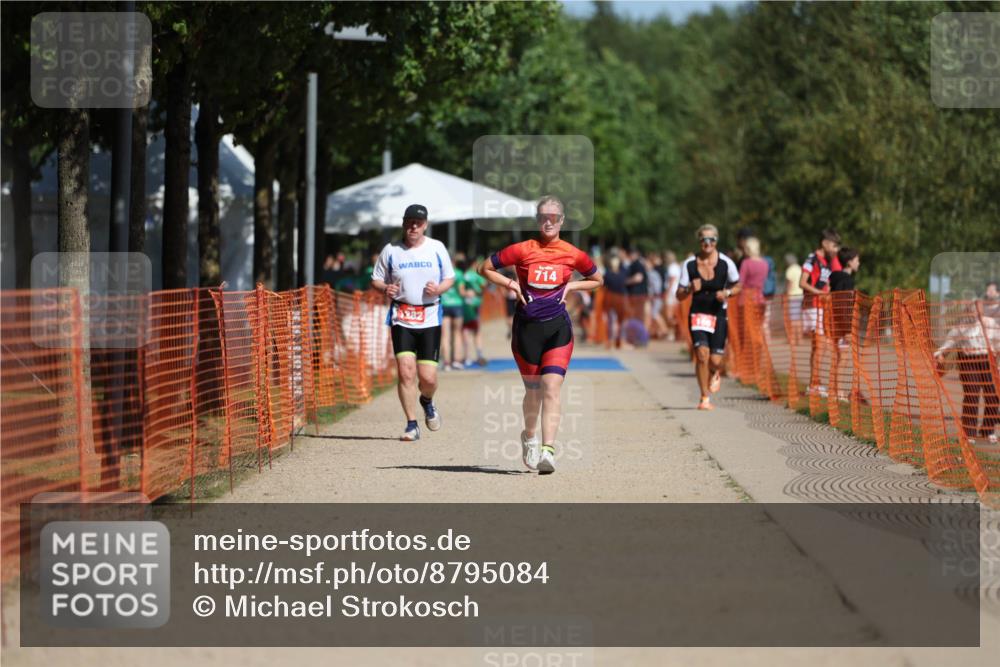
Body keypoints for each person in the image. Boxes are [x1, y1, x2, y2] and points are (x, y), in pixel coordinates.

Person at [479, 195, 603, 474]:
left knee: (551, 388)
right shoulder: (522, 249)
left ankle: (548, 450)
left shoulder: (572, 253)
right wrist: (511, 284)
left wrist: (572, 288)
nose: (549, 222)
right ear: (538, 220)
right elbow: (484, 268)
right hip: (526, 330)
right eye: (544, 217)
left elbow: (597, 279)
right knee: (533, 391)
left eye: (554, 217)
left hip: (558, 328)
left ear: (562, 221)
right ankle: (530, 436)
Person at [370, 204, 455, 441]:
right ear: (404, 223)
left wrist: (438, 288)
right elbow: (375, 279)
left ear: (425, 225)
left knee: (427, 378)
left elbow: (450, 277)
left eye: (418, 222)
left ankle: (426, 400)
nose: (413, 226)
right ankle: (411, 424)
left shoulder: (436, 247)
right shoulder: (391, 250)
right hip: (402, 317)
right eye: (409, 222)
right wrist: (385, 288)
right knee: (406, 373)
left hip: (429, 318)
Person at [676, 224, 741, 410]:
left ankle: (715, 372)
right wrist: (689, 289)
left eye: (711, 239)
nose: (707, 243)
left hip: (718, 313)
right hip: (698, 314)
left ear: (716, 241)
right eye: (704, 239)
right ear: (699, 241)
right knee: (701, 355)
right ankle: (704, 397)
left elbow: (738, 285)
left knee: (715, 360)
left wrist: (727, 293)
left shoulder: (726, 263)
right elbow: (678, 295)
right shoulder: (689, 264)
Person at [934, 304, 1000, 444]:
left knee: (993, 396)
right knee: (972, 395)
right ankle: (968, 432)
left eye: (977, 311)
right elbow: (950, 342)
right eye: (971, 311)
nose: (974, 314)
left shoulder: (990, 324)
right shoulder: (961, 327)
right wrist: (941, 353)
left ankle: (987, 430)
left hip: (988, 361)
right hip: (968, 361)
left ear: (982, 311)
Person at [800, 229, 842, 396]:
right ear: (824, 243)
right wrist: (819, 293)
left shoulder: (828, 261)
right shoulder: (812, 259)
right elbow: (802, 282)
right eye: (833, 245)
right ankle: (814, 384)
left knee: (819, 346)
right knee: (820, 345)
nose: (835, 249)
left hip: (821, 307)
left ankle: (814, 383)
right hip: (812, 306)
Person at [460, 257, 488, 367]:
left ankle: (467, 356)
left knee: (465, 329)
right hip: (475, 303)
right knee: (476, 330)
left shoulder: (464, 274)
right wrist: (479, 291)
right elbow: (484, 286)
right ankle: (479, 354)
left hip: (465, 304)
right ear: (475, 263)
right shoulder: (476, 275)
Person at [440, 255, 466, 371]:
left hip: (444, 305)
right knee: (457, 333)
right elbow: (461, 292)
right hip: (457, 305)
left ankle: (446, 363)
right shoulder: (459, 274)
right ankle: (457, 361)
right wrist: (469, 294)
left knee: (445, 335)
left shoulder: (440, 274)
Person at [664, 251, 681, 341]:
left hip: (672, 293)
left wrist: (667, 293)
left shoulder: (672, 267)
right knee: (673, 314)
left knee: (669, 315)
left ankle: (672, 332)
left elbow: (672, 280)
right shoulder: (676, 267)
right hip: (675, 292)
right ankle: (673, 332)